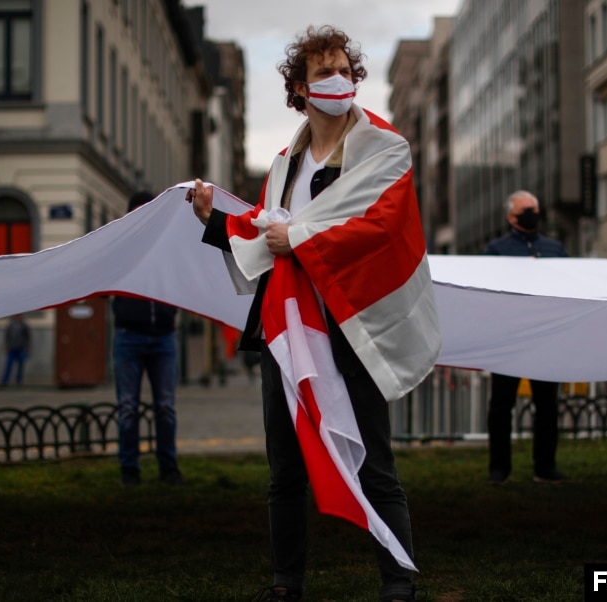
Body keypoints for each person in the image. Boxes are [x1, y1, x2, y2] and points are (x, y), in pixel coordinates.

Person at [186, 25, 440, 602]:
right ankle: (286, 582)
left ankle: (398, 581)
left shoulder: (385, 148)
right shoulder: (284, 163)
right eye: (323, 73)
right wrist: (211, 219)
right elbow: (261, 234)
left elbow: (376, 225)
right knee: (285, 467)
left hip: (355, 325)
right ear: (299, 89)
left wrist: (294, 238)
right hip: (291, 327)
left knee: (375, 461)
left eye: (345, 71)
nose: (338, 82)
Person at [484, 191, 569, 485]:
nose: (532, 213)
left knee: (547, 405)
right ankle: (499, 468)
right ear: (511, 217)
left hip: (545, 339)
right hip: (509, 338)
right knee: (501, 406)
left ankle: (545, 466)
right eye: (526, 210)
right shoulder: (496, 250)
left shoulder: (555, 248)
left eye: (535, 208)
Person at [113, 191, 183, 487]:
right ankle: (130, 469)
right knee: (127, 406)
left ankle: (168, 468)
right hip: (128, 337)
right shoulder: (120, 247)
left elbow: (184, 279)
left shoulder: (168, 249)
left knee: (165, 406)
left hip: (164, 338)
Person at [0, 314, 30, 386]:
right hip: (12, 348)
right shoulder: (10, 325)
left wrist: (27, 348)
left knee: (20, 365)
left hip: (21, 348)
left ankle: (19, 380)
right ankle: (5, 380)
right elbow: (7, 337)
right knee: (8, 364)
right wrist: (6, 346)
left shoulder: (24, 325)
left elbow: (27, 337)